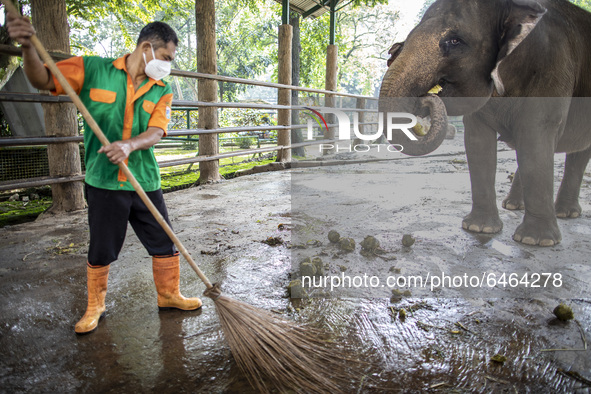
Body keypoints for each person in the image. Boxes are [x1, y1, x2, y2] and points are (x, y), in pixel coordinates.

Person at [6, 14, 201, 334]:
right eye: (167, 57)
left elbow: (156, 131)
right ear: (147, 47)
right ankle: (95, 305)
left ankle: (169, 295)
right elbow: (42, 79)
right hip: (105, 180)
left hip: (143, 179)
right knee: (102, 246)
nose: (168, 65)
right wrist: (28, 46)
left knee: (164, 241)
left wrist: (128, 145)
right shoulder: (93, 69)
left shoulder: (160, 89)